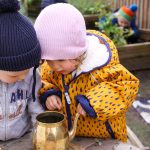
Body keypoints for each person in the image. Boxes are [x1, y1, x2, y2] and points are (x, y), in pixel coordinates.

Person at [34, 3, 139, 142]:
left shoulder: (101, 66)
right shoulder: (51, 68)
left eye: (60, 59)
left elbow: (126, 86)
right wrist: (49, 93)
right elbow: (44, 80)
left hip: (106, 138)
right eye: (48, 59)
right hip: (71, 136)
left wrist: (94, 102)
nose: (55, 66)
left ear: (78, 52)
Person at [0, 0, 43, 141]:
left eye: (27, 69)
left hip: (22, 139)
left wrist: (40, 132)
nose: (23, 77)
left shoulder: (30, 76)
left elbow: (35, 106)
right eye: (14, 75)